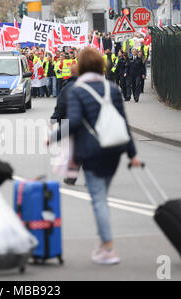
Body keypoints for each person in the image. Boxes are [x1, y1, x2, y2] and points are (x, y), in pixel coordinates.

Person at [49, 47, 141, 265]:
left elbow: (73, 122)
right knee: (103, 197)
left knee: (99, 200)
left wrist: (52, 137)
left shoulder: (77, 90)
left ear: (80, 67)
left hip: (91, 152)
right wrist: (132, 154)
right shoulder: (112, 89)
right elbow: (121, 123)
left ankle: (109, 249)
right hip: (114, 151)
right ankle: (103, 245)